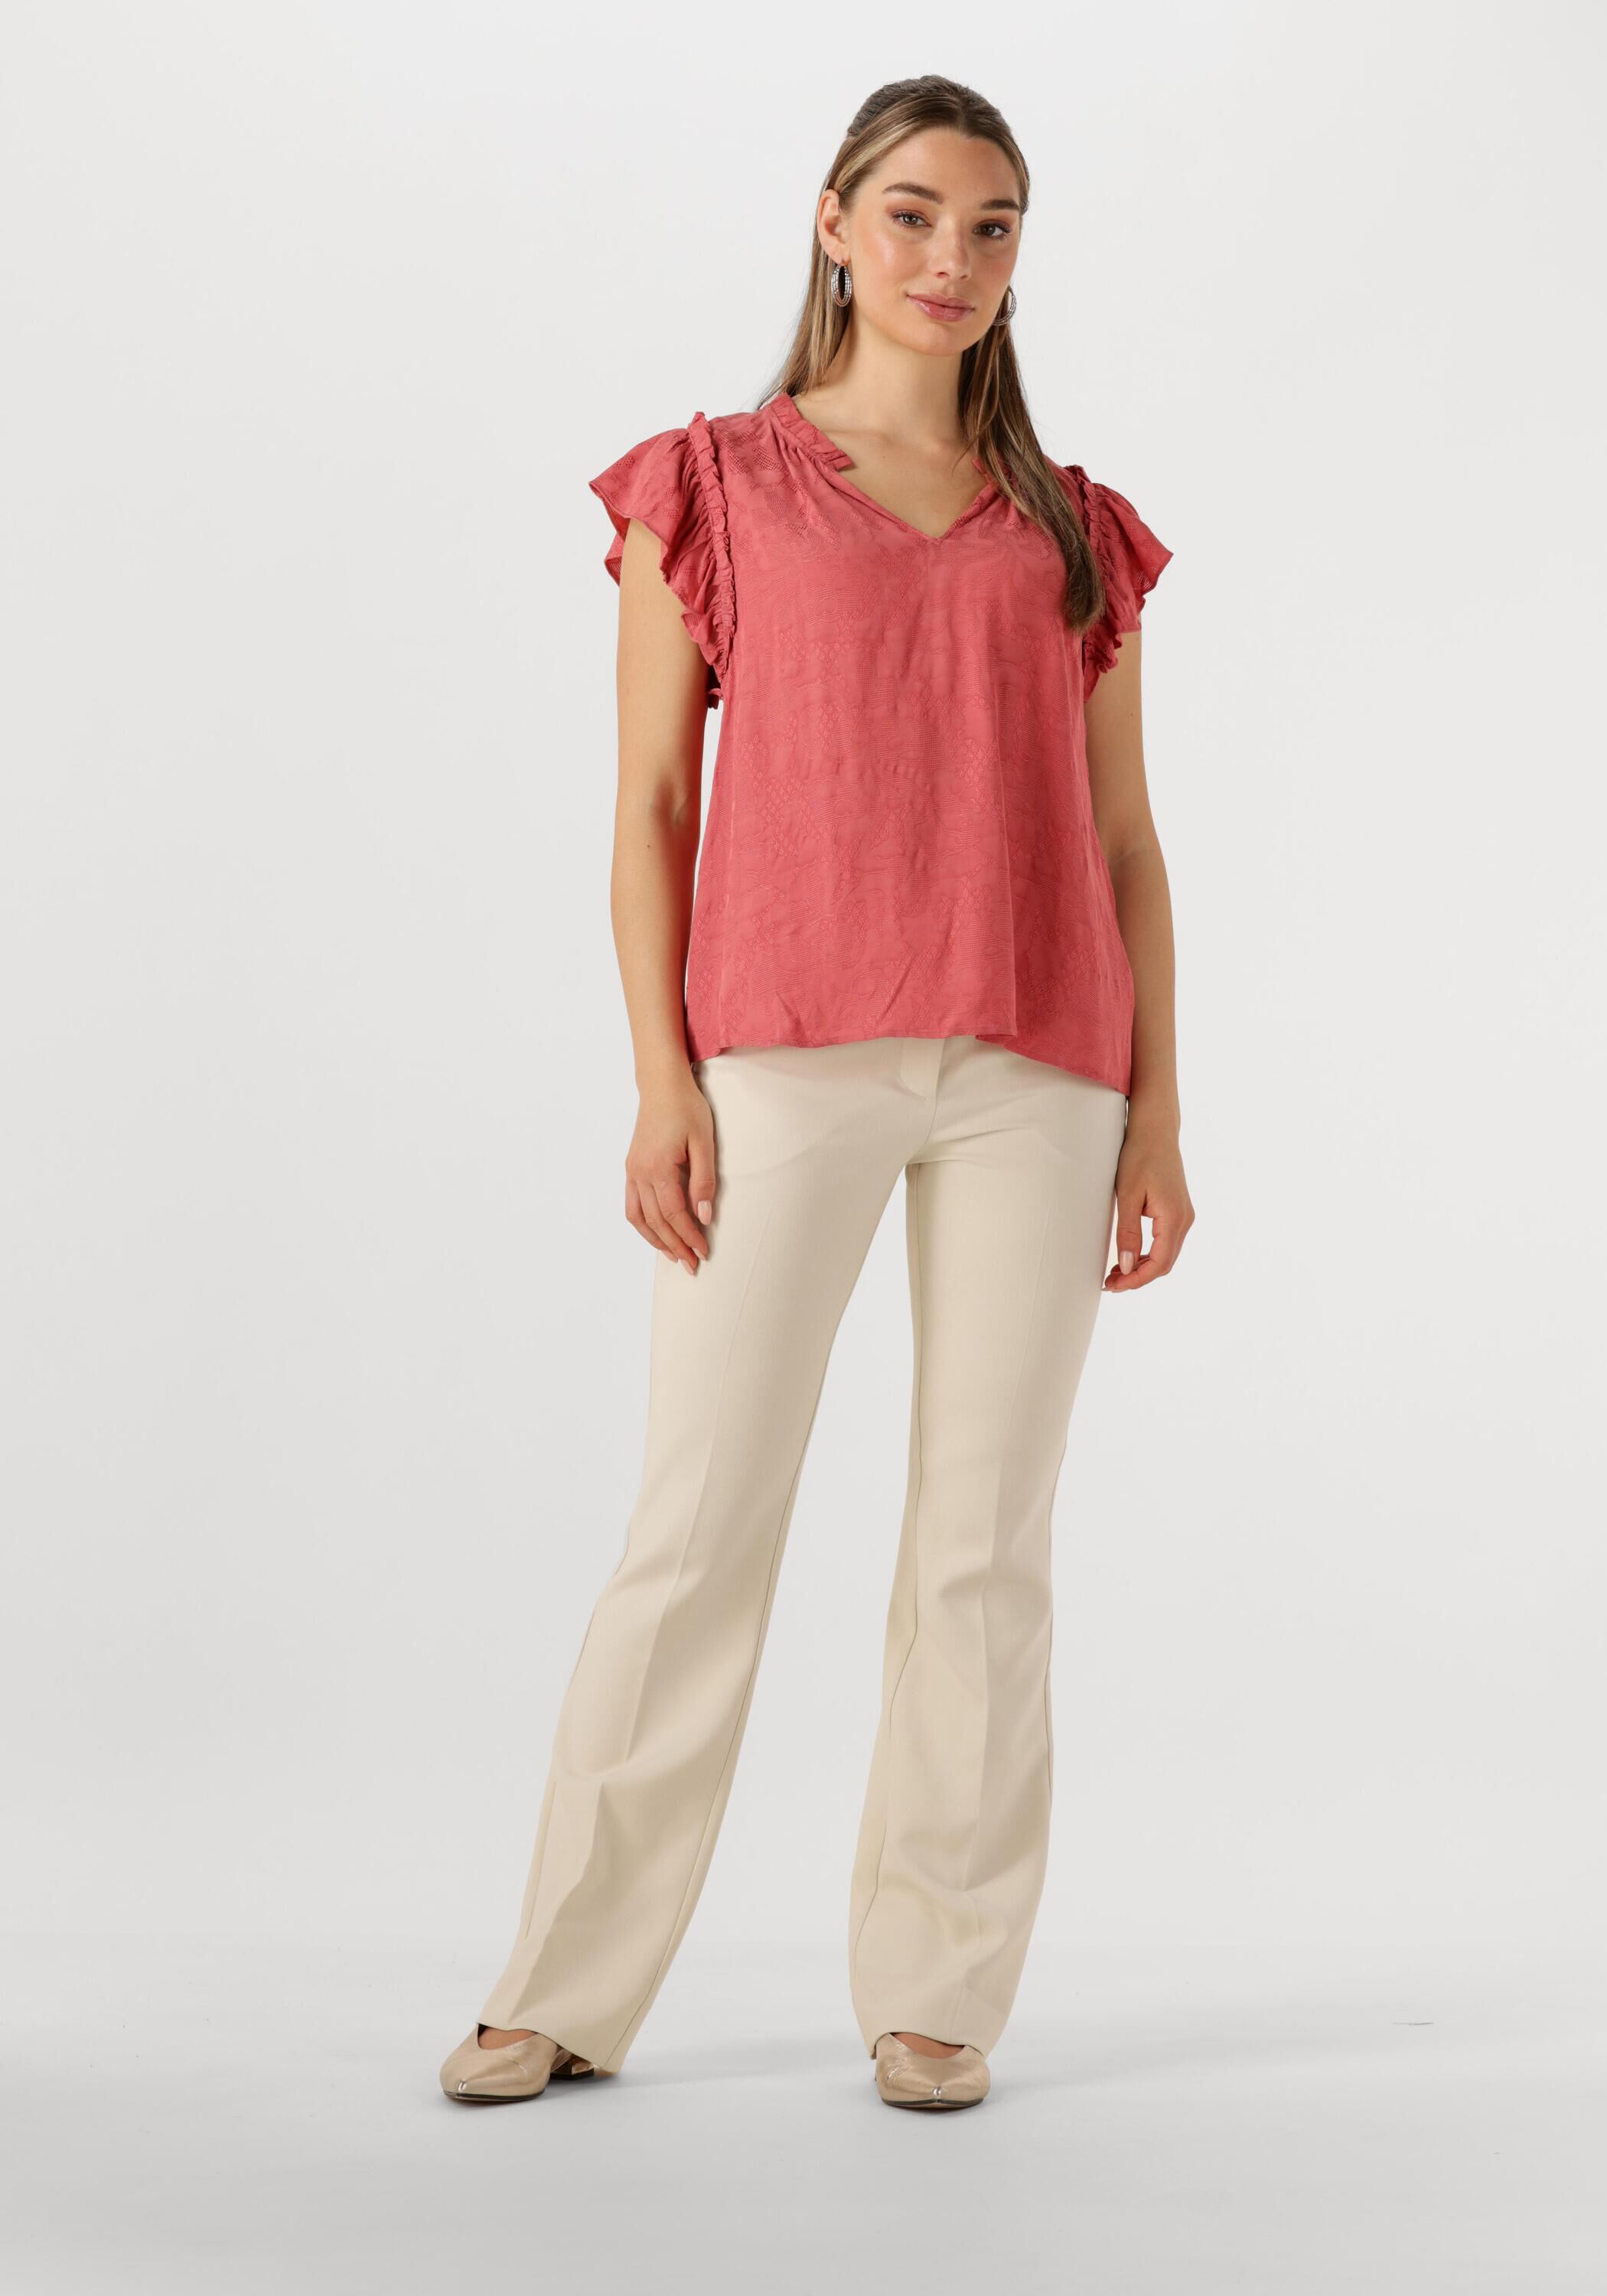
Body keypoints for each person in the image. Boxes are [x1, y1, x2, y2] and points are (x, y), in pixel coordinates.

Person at [439, 73, 1195, 2116]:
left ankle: (938, 1987)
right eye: (916, 214)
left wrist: (1158, 1111)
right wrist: (657, 1078)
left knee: (982, 1542)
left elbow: (1127, 841)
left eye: (993, 224)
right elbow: (650, 808)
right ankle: (564, 1982)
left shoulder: (1073, 528)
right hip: (778, 1052)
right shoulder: (711, 487)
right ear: (836, 225)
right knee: (698, 1519)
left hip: (1039, 1064)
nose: (954, 257)